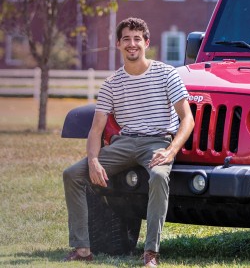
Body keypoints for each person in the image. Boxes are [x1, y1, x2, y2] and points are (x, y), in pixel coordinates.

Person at [63, 17, 194, 267]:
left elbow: (187, 119)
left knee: (157, 176)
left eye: (137, 39)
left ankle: (151, 253)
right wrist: (93, 161)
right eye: (126, 39)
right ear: (118, 44)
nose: (131, 44)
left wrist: (171, 150)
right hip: (123, 144)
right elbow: (95, 130)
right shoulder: (112, 84)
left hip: (157, 141)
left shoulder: (166, 74)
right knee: (72, 174)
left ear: (146, 42)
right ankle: (82, 250)